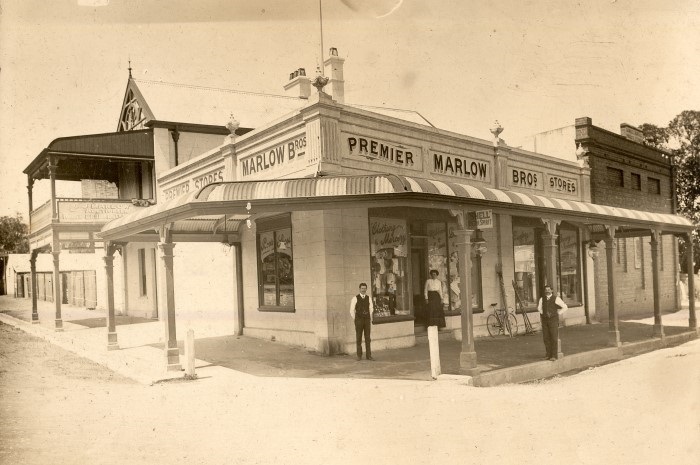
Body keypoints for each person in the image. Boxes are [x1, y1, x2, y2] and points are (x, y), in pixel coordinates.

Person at [537, 285, 568, 361]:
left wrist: (558, 313)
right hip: (545, 320)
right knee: (546, 338)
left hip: (553, 320)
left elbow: (565, 307)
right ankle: (548, 354)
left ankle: (554, 355)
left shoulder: (556, 298)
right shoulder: (542, 299)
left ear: (552, 291)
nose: (547, 291)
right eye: (546, 290)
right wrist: (543, 314)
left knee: (554, 337)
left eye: (549, 289)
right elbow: (539, 308)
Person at [350, 282, 374, 361]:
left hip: (367, 320)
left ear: (366, 289)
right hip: (359, 320)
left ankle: (369, 355)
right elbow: (351, 310)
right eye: (362, 288)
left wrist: (369, 317)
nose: (363, 290)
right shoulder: (355, 298)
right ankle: (359, 355)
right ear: (359, 289)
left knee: (368, 338)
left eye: (365, 288)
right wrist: (356, 319)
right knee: (359, 337)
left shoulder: (369, 298)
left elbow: (371, 309)